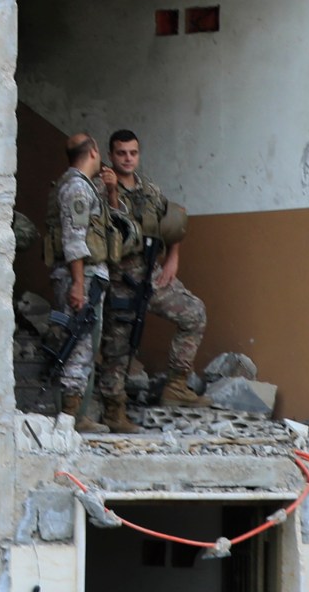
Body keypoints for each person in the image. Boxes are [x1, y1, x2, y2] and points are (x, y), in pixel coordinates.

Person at [103, 129, 212, 409]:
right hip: (119, 279)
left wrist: (173, 257)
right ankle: (113, 409)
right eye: (121, 153)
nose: (128, 159)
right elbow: (114, 228)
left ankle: (176, 385)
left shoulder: (149, 189)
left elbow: (174, 221)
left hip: (150, 273)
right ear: (110, 155)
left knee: (194, 313)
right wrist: (113, 191)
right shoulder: (100, 186)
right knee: (118, 347)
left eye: (133, 153)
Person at [44, 133, 123, 432]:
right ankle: (72, 417)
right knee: (78, 345)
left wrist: (112, 192)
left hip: (91, 276)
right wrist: (78, 284)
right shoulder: (77, 188)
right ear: (93, 152)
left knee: (84, 344)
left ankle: (78, 414)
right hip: (82, 276)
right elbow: (74, 240)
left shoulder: (88, 187)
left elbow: (112, 225)